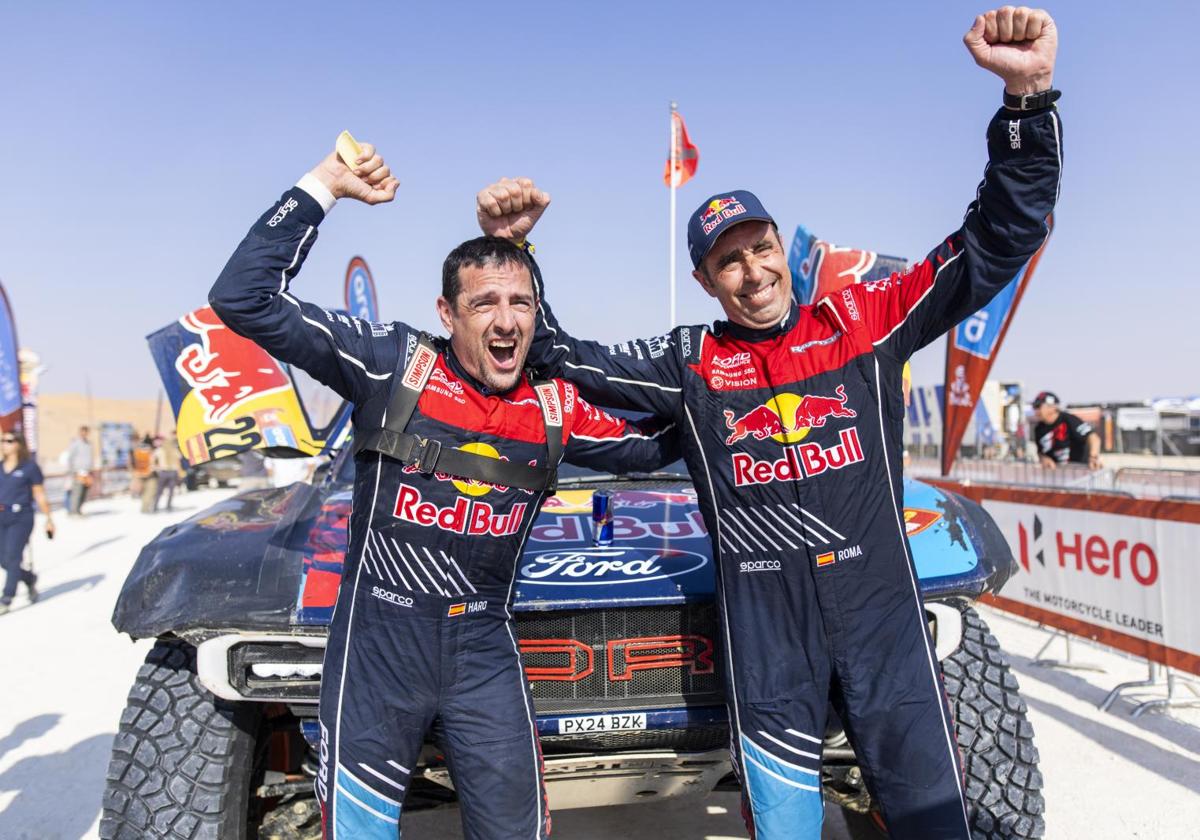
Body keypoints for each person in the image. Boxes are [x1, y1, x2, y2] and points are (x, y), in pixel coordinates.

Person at [488, 9, 1061, 837]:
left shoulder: (862, 324)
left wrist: (1026, 100)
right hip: (767, 641)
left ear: (778, 252)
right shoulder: (688, 362)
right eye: (730, 259)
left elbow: (997, 241)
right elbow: (558, 355)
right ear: (707, 277)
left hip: (880, 617)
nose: (752, 270)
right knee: (787, 827)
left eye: (760, 247)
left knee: (937, 822)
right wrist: (516, 253)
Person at [208, 142, 679, 840]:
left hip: (483, 653)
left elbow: (661, 443)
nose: (506, 320)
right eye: (484, 301)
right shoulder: (395, 367)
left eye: (521, 302)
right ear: (447, 311)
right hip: (376, 651)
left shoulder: (553, 408)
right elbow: (242, 298)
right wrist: (325, 186)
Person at [0, 433, 55, 616]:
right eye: (2, 441)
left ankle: (6, 597)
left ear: (18, 444)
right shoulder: (0, 467)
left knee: (14, 557)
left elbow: (39, 494)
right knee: (4, 560)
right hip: (2, 515)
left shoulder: (29, 467)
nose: (4, 444)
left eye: (9, 441)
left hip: (21, 517)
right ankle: (29, 578)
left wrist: (48, 518)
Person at [1032, 390, 1101, 469]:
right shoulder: (1039, 429)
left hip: (1079, 472)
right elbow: (1040, 452)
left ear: (1052, 407)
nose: (1036, 411)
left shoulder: (1069, 419)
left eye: (1038, 407)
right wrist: (1043, 459)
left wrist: (1093, 457)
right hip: (1056, 476)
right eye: (1034, 407)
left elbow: (1093, 438)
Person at [64, 425, 93, 515]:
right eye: (83, 432)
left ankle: (79, 509)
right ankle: (73, 511)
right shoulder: (75, 444)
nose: (84, 434)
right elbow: (70, 458)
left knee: (84, 492)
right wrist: (72, 471)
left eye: (86, 432)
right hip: (78, 472)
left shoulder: (88, 444)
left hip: (87, 472)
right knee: (77, 492)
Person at [153, 434, 184, 512]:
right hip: (173, 472)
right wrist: (180, 472)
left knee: (159, 490)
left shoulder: (159, 450)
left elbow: (152, 460)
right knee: (171, 490)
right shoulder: (174, 450)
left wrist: (157, 468)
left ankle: (155, 506)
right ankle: (168, 506)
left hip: (163, 472)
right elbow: (178, 462)